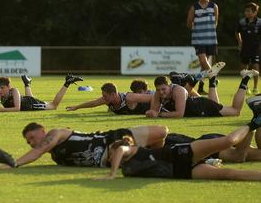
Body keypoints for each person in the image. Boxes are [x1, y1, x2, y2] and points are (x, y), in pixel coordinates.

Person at [98, 110, 261, 180]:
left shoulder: (130, 150)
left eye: (110, 154)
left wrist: (111, 174)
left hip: (181, 153)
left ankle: (252, 123)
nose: (110, 158)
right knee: (229, 174)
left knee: (228, 141)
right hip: (180, 172)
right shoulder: (127, 169)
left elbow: (120, 149)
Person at [15, 123, 169, 168]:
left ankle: (158, 156)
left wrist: (15, 163)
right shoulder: (57, 157)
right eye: (29, 142)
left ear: (43, 131)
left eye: (32, 138)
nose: (32, 143)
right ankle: (157, 160)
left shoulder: (56, 133)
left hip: (110, 139)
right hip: (109, 157)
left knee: (162, 131)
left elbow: (39, 151)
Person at [145, 68, 257, 118]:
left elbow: (179, 114)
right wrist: (151, 113)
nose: (161, 92)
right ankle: (212, 78)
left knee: (235, 111)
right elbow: (153, 111)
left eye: (163, 89)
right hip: (201, 107)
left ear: (169, 86)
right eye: (158, 90)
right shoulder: (158, 94)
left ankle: (246, 78)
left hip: (202, 107)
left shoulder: (178, 90)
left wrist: (159, 114)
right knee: (215, 103)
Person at [186, 0, 219, 95]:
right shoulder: (194, 7)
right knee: (202, 60)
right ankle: (213, 76)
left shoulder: (214, 6)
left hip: (210, 39)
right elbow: (189, 23)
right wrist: (197, 30)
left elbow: (216, 22)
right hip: (198, 39)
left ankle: (200, 86)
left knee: (204, 66)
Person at [164, 127, 261, 163]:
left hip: (203, 146)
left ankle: (253, 125)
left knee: (238, 157)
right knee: (258, 154)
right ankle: (257, 122)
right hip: (208, 138)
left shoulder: (154, 149)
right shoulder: (164, 136)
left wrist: (207, 161)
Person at [0, 74, 81, 112]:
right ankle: (27, 83)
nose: (0, 90)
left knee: (54, 105)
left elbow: (17, 109)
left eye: (2, 88)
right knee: (29, 97)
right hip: (27, 101)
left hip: (31, 104)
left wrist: (1, 110)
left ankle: (67, 82)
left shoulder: (14, 91)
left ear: (8, 86)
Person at [66, 81, 153, 115]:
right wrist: (76, 107)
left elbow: (152, 98)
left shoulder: (129, 98)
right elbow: (93, 103)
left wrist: (155, 110)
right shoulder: (106, 100)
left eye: (105, 96)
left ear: (113, 94)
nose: (103, 98)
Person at [236, 2, 261, 94]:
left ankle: (255, 87)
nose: (246, 13)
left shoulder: (259, 22)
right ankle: (245, 87)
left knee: (255, 66)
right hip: (245, 47)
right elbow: (237, 32)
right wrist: (240, 41)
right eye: (245, 11)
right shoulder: (242, 22)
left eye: (249, 11)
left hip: (255, 48)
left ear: (255, 12)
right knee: (244, 68)